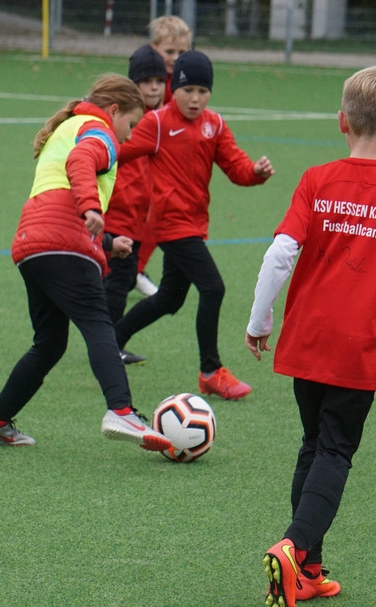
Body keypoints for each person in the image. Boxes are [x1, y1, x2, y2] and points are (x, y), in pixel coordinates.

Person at [245, 66, 376, 607]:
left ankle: (309, 570)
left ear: (341, 121)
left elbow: (279, 254)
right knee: (334, 450)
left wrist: (260, 319)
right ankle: (292, 546)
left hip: (308, 336)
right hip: (358, 345)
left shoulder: (317, 179)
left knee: (313, 443)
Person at [0, 74, 170, 452]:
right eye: (130, 124)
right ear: (115, 110)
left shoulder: (70, 127)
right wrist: (91, 208)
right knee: (98, 323)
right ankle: (121, 410)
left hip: (33, 243)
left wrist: (107, 243)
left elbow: (58, 195)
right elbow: (80, 164)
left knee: (49, 344)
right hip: (63, 242)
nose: (129, 136)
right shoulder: (100, 132)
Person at [114, 50, 274, 401]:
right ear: (175, 89)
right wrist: (90, 152)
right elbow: (120, 152)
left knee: (170, 298)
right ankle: (210, 372)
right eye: (189, 90)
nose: (196, 98)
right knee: (213, 288)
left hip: (194, 223)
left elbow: (236, 167)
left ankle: (112, 341)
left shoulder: (214, 125)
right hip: (170, 224)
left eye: (203, 91)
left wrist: (256, 172)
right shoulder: (157, 123)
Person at [102, 45, 168, 366]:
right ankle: (109, 344)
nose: (154, 88)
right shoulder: (129, 120)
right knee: (119, 278)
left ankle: (105, 339)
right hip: (120, 212)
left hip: (138, 215)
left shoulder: (156, 119)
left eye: (159, 81)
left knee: (123, 278)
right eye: (146, 82)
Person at [134, 14, 194, 298]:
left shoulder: (184, 84)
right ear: (154, 48)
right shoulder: (148, 81)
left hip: (164, 162)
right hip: (139, 156)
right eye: (169, 51)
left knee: (159, 213)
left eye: (182, 52)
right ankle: (124, 267)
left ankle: (133, 268)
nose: (176, 58)